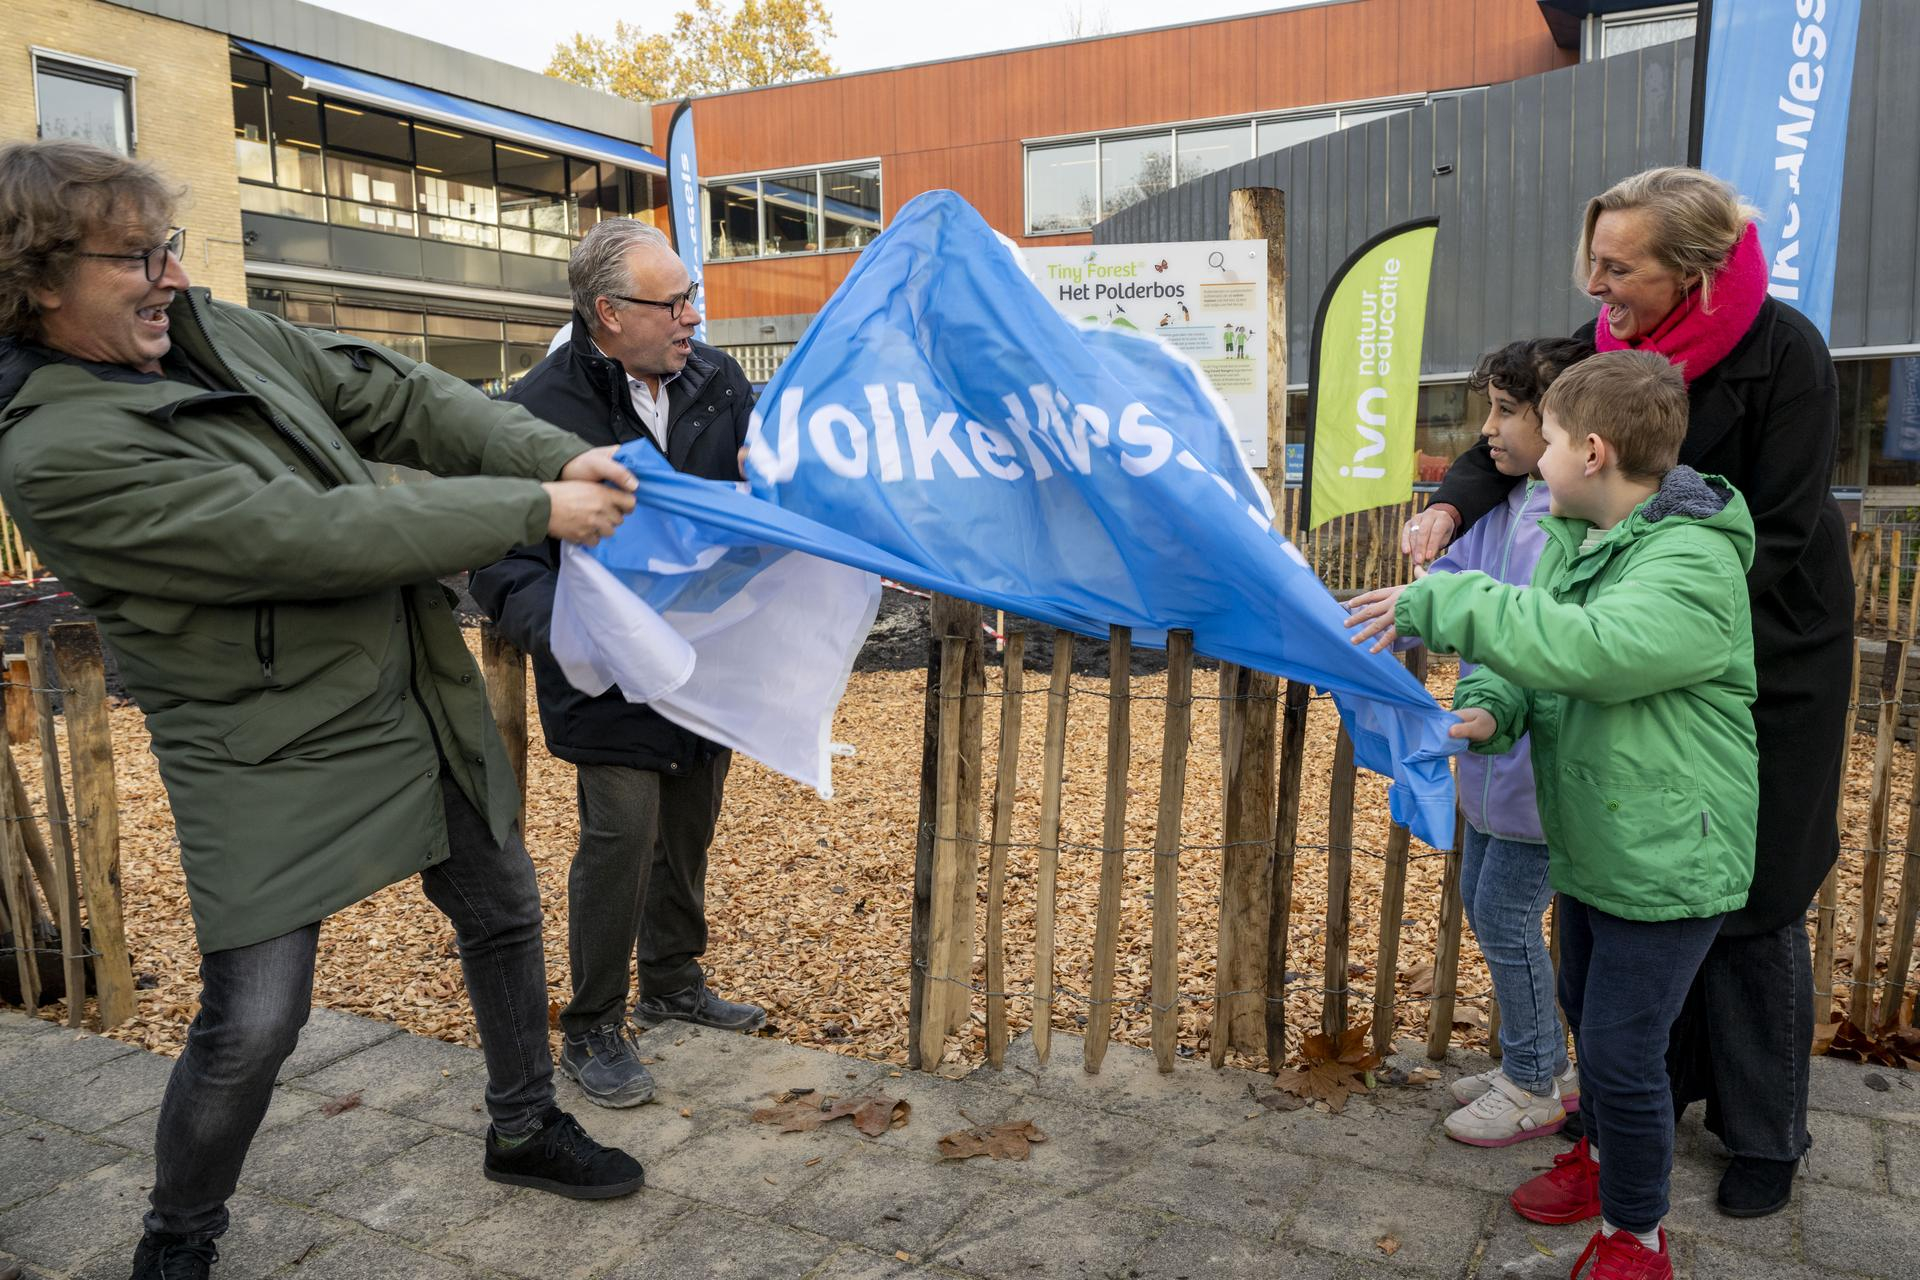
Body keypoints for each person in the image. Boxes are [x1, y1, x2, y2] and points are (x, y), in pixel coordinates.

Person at [0, 140, 650, 1280]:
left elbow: (389, 393)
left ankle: (523, 1124)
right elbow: (299, 537)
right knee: (255, 1015)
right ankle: (180, 1236)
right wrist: (527, 507)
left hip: (406, 688)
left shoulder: (214, 331)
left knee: (501, 904)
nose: (168, 276)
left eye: (168, 247)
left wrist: (562, 451)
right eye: (133, 258)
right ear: (38, 280)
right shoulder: (54, 451)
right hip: (267, 742)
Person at [1402, 167, 1851, 1217]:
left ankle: (1765, 1130)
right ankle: (1645, 1100)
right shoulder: (1609, 342)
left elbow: (1778, 531)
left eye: (1620, 267)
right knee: (1628, 905)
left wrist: (1619, 621)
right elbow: (1517, 435)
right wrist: (1453, 507)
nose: (1597, 286)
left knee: (1754, 899)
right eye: (1593, 263)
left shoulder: (1786, 354)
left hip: (1755, 649)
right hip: (1622, 638)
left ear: (1689, 270)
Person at [1396, 350, 1760, 1280]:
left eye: (1546, 439)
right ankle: (1601, 1162)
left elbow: (1600, 651)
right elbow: (1537, 665)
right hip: (1600, 843)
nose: (1528, 454)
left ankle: (1636, 1238)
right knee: (1584, 1013)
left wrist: (1448, 598)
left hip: (1670, 856)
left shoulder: (1692, 560)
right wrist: (1490, 711)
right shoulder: (1576, 536)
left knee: (1622, 1054)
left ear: (1591, 451)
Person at [471, 219, 762, 1111]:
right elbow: (497, 548)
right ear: (607, 312)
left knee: (689, 824)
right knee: (620, 836)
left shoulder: (717, 380)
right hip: (600, 665)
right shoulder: (538, 409)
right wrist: (559, 625)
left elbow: (756, 490)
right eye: (671, 303)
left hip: (702, 657)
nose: (691, 316)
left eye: (691, 298)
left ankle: (672, 979)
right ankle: (592, 1024)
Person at [1345, 335, 1593, 1148]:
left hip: (1535, 763)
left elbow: (1549, 638)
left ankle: (1534, 1082)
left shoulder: (1569, 526)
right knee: (1483, 901)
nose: (1486, 430)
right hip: (1489, 757)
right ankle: (1540, 1060)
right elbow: (1453, 587)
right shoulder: (1509, 503)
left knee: (1506, 913)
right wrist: (1400, 590)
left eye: (1505, 412)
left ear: (1560, 422)